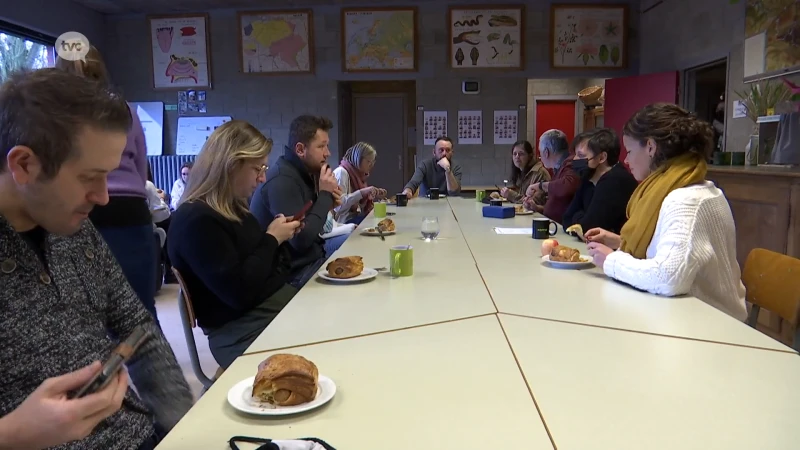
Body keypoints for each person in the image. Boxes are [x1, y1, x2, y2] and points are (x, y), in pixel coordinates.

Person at [0, 69, 192, 449]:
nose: (104, 197)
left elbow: (138, 328)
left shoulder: (72, 228)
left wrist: (185, 429)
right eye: (90, 177)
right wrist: (12, 434)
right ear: (23, 165)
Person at [586, 103, 747, 321]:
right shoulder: (697, 188)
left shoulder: (685, 200)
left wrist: (611, 261)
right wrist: (618, 242)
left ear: (650, 147)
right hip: (696, 317)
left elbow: (669, 276)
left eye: (630, 151)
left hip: (709, 327)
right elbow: (679, 251)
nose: (626, 160)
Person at [168, 120, 301, 368]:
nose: (262, 178)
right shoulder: (196, 221)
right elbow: (239, 293)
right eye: (257, 168)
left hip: (262, 313)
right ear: (230, 166)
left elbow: (275, 269)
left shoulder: (235, 209)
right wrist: (272, 239)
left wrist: (275, 241)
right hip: (241, 331)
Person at [55, 45, 158, 320]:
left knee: (86, 312)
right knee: (141, 307)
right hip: (128, 208)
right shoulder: (123, 109)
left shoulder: (56, 112)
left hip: (81, 207)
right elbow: (140, 165)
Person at [250, 115, 343, 289]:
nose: (327, 153)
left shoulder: (300, 173)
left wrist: (326, 205)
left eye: (327, 146)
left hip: (309, 262)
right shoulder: (282, 180)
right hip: (293, 275)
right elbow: (301, 241)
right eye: (321, 146)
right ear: (300, 149)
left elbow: (312, 228)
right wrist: (324, 196)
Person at [562, 128, 638, 234]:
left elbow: (587, 229)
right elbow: (566, 219)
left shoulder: (616, 181)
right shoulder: (588, 176)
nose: (574, 160)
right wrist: (581, 218)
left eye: (581, 155)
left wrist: (579, 216)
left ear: (602, 158)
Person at [523, 129, 580, 224]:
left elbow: (567, 186)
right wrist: (537, 208)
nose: (540, 157)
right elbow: (556, 208)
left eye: (540, 153)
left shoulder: (571, 163)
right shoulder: (559, 167)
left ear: (546, 152)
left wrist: (540, 186)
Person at [333, 142, 387, 224]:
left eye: (373, 162)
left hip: (354, 218)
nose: (371, 165)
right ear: (358, 158)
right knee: (375, 223)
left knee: (381, 220)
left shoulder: (359, 176)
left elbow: (359, 207)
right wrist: (362, 192)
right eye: (369, 161)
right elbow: (338, 206)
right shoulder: (341, 172)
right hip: (342, 222)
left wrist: (374, 193)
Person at [499, 140, 550, 204]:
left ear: (530, 156)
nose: (517, 156)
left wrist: (511, 195)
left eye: (521, 154)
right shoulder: (522, 172)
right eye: (514, 154)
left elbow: (534, 203)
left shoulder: (539, 173)